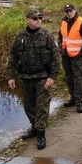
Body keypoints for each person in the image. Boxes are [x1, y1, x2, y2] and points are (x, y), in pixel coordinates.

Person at [6, 9, 60, 150]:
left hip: (42, 77)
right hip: (25, 77)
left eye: (40, 18)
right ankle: (34, 128)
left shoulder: (47, 35)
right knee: (29, 106)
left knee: (42, 105)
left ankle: (41, 133)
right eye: (35, 18)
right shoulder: (20, 36)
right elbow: (13, 56)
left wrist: (52, 77)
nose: (38, 20)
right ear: (28, 19)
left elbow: (56, 57)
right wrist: (11, 76)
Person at [58, 4, 82, 113]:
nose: (68, 13)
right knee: (69, 78)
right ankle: (73, 99)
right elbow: (60, 37)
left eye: (70, 10)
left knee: (78, 79)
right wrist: (60, 48)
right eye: (66, 11)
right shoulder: (63, 22)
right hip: (66, 55)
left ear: (75, 11)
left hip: (78, 57)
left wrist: (81, 53)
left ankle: (79, 102)